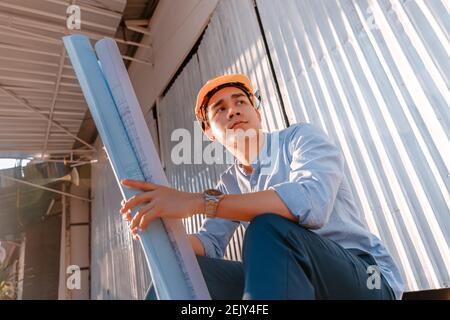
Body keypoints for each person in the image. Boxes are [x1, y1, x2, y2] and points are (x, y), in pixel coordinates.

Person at [119, 74, 404, 300]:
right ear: (208, 132)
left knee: (268, 226)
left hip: (366, 280)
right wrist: (158, 220)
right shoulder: (229, 184)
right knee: (176, 276)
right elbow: (209, 244)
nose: (233, 111)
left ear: (256, 111)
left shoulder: (300, 139)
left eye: (240, 101)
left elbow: (311, 204)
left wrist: (197, 201)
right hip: (295, 283)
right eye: (220, 109)